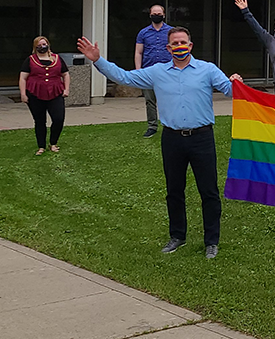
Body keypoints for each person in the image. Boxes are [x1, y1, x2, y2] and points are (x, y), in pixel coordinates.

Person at [77, 27, 243, 258]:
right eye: (174, 43)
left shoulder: (208, 70)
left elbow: (229, 90)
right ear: (168, 48)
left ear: (191, 45)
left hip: (202, 138)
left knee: (209, 191)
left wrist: (235, 81)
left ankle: (211, 241)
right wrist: (98, 61)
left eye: (183, 42)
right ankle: (177, 236)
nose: (179, 46)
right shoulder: (157, 72)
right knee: (174, 191)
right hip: (172, 139)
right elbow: (125, 77)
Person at [19, 36, 70, 156]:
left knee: (58, 118)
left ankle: (53, 143)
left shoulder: (57, 59)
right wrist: (23, 93)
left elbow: (66, 74)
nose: (42, 47)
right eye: (39, 45)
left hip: (55, 93)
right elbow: (23, 77)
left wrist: (66, 89)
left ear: (48, 45)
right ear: (35, 47)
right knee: (40, 121)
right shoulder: (30, 60)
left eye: (44, 44)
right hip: (35, 94)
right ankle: (41, 146)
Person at [135, 4, 173, 138]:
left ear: (163, 15)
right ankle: (152, 126)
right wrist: (138, 71)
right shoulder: (143, 33)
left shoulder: (171, 32)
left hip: (168, 72)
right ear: (150, 14)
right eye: (154, 13)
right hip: (148, 72)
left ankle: (171, 125)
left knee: (170, 99)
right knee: (150, 101)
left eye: (159, 13)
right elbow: (138, 52)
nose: (156, 15)